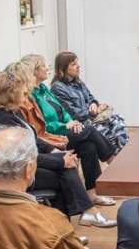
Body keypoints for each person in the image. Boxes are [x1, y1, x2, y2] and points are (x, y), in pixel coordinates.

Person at [0, 68, 115, 227]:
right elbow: (21, 157)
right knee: (64, 170)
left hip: (25, 165)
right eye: (23, 94)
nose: (26, 98)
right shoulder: (0, 120)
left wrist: (55, 151)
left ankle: (70, 223)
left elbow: (34, 141)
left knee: (82, 150)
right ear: (10, 94)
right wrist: (60, 161)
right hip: (12, 174)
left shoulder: (11, 113)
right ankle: (80, 216)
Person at [18, 57, 117, 207]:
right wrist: (66, 126)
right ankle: (113, 161)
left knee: (88, 146)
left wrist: (72, 122)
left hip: (66, 128)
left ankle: (92, 194)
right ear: (34, 71)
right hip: (52, 137)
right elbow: (44, 125)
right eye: (43, 66)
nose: (47, 68)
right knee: (89, 130)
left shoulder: (44, 89)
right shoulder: (32, 96)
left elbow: (63, 110)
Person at [51, 51, 129, 154]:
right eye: (73, 64)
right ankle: (116, 160)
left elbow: (91, 97)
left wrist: (93, 104)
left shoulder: (78, 82)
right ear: (62, 68)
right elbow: (72, 113)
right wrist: (93, 112)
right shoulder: (57, 88)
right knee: (111, 133)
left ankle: (122, 157)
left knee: (118, 122)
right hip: (80, 123)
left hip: (92, 117)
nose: (78, 66)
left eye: (77, 63)